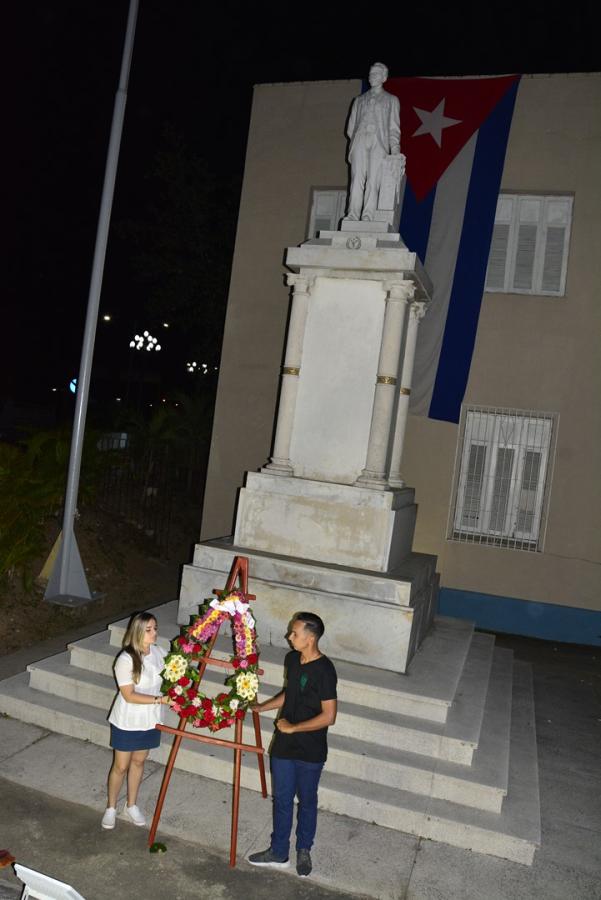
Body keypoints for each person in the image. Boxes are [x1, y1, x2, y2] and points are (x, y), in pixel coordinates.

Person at [248, 613, 337, 878]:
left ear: (311, 638)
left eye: (294, 633)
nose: (289, 637)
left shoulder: (325, 670)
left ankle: (304, 849)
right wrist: (263, 706)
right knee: (282, 800)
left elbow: (329, 716)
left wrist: (294, 727)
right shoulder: (291, 659)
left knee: (307, 800)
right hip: (284, 746)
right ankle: (278, 851)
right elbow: (290, 693)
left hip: (310, 749)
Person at [101, 612, 168, 830]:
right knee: (120, 766)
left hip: (150, 720)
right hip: (128, 720)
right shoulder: (126, 659)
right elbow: (129, 695)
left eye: (155, 628)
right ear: (138, 631)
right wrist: (160, 699)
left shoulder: (159, 652)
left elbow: (175, 672)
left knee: (139, 762)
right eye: (149, 630)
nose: (154, 633)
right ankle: (111, 807)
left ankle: (131, 805)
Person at [347, 61, 401, 222]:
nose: (372, 76)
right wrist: (360, 137)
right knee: (357, 177)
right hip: (360, 140)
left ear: (384, 77)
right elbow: (350, 128)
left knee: (373, 179)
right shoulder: (359, 100)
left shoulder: (391, 100)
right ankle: (353, 213)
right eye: (370, 74)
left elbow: (394, 127)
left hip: (380, 142)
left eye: (376, 74)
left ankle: (368, 214)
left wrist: (395, 149)